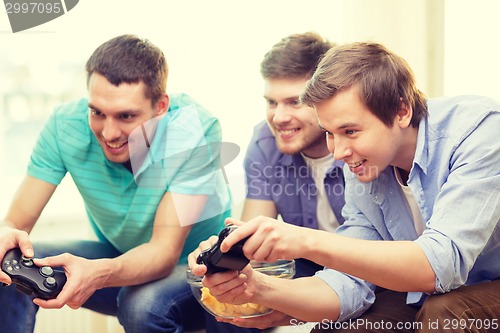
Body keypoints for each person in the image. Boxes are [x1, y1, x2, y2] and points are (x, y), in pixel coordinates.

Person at [189, 42, 500, 333]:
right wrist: (256, 287)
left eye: (350, 131)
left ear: (401, 111)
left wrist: (304, 241)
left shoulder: (478, 131)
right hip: (436, 292)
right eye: (330, 133)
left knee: (445, 313)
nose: (337, 152)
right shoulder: (365, 162)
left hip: (476, 286)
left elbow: (441, 265)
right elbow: (348, 284)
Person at [0, 34, 231, 333]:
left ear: (160, 106)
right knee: (10, 263)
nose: (109, 133)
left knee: (143, 306)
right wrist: (5, 236)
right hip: (123, 256)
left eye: (126, 116)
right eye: (97, 112)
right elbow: (15, 223)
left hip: (198, 268)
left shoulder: (194, 131)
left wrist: (97, 273)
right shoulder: (64, 125)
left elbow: (162, 254)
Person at [202, 32, 345, 333]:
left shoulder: (356, 145)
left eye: (294, 102)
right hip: (305, 262)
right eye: (271, 102)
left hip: (360, 262)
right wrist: (221, 256)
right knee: (229, 301)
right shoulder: (266, 141)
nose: (279, 117)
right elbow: (252, 231)